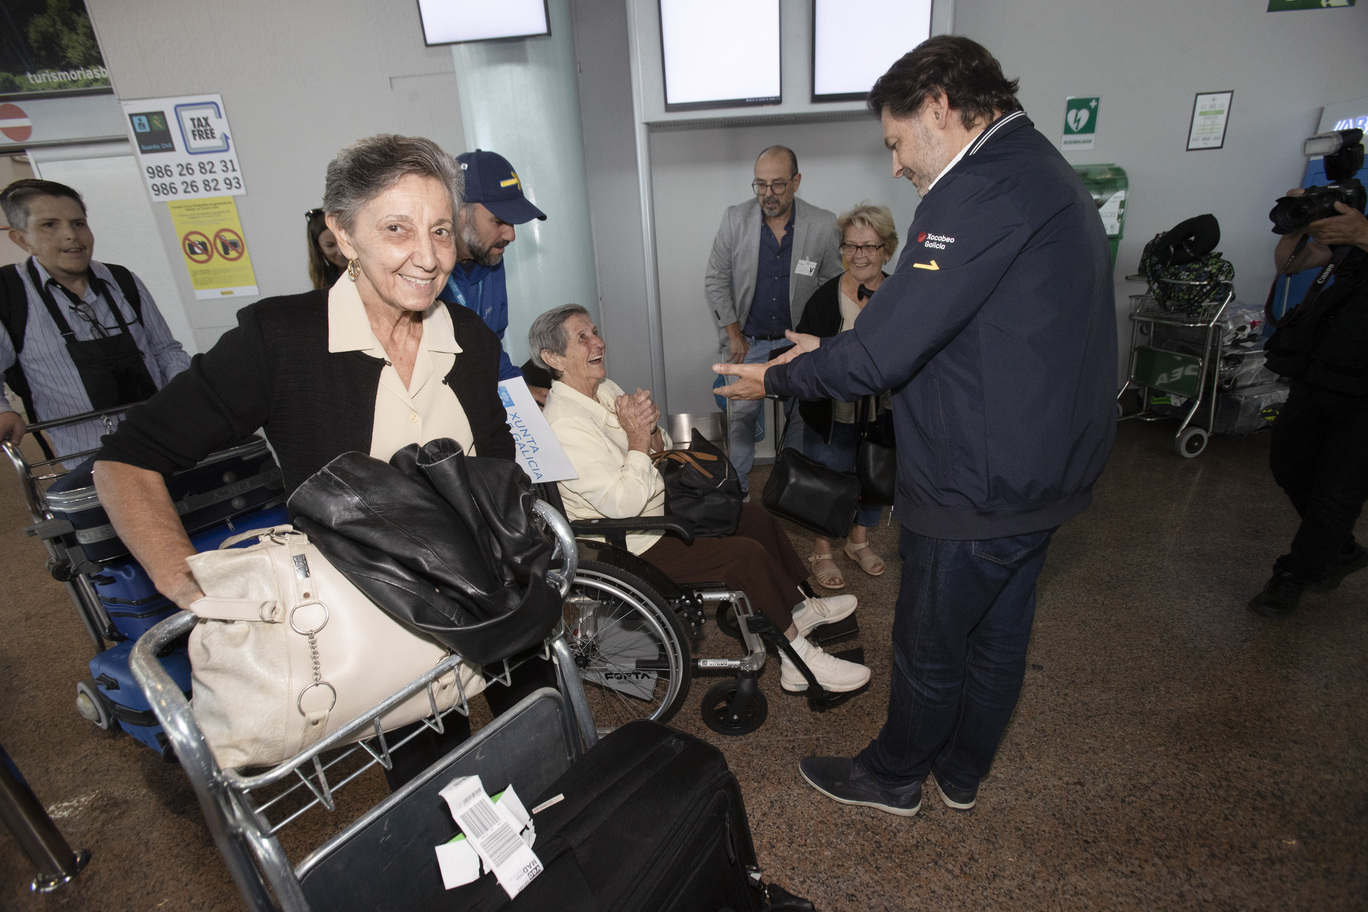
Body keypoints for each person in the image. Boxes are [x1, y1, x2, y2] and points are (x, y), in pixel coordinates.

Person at [715, 36, 1117, 816]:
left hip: (977, 478)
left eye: (897, 143)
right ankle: (961, 773)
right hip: (1039, 468)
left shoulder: (978, 190)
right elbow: (948, 326)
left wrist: (778, 376)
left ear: (938, 106)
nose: (896, 166)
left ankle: (894, 777)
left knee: (929, 644)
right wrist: (833, 348)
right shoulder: (1039, 171)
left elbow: (884, 354)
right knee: (997, 637)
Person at [90, 134, 548, 785]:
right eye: (397, 228)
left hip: (491, 598)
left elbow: (500, 466)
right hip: (377, 627)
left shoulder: (469, 338)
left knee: (542, 748)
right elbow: (126, 461)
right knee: (441, 790)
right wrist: (189, 587)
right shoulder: (283, 340)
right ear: (343, 233)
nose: (427, 256)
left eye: (441, 230)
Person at [531, 303, 870, 694]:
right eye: (582, 337)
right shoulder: (566, 423)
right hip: (628, 543)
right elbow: (622, 505)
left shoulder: (603, 389)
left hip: (655, 509)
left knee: (753, 518)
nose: (598, 342)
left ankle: (797, 607)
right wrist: (638, 436)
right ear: (553, 358)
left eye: (594, 331)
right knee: (743, 555)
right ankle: (799, 660)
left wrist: (649, 429)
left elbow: (661, 448)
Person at [1, 179, 190, 461]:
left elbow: (166, 350)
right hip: (89, 457)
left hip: (165, 437)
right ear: (22, 239)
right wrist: (3, 411)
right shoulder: (8, 293)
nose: (71, 236)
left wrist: (188, 393)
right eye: (49, 225)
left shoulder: (122, 280)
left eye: (78, 223)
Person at [1248, 197, 1368, 618]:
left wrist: (1363, 234)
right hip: (1324, 366)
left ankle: (1294, 575)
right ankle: (1339, 546)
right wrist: (1299, 225)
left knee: (1339, 490)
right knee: (1288, 463)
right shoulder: (1354, 228)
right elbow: (1291, 265)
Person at [705, 145, 842, 496]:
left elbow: (834, 283)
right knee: (741, 418)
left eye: (778, 184)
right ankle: (737, 491)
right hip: (748, 342)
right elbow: (715, 279)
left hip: (796, 343)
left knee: (798, 417)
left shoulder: (823, 224)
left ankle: (788, 486)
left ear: (796, 182)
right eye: (761, 184)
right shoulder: (735, 220)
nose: (768, 193)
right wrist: (734, 335)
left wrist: (818, 339)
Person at [793, 203, 899, 590]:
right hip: (831, 413)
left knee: (873, 477)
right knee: (827, 481)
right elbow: (804, 356)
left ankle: (858, 543)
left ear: (887, 249)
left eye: (868, 246)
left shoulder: (900, 294)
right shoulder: (824, 298)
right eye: (850, 246)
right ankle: (822, 550)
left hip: (881, 413)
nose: (858, 255)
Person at [440, 149, 550, 404]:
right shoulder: (425, 276)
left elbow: (489, 347)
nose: (511, 235)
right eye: (499, 221)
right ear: (458, 213)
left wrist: (517, 389)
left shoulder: (490, 257)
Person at [305, 206, 348, 289]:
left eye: (343, 240)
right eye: (330, 245)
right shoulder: (325, 281)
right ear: (319, 248)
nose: (340, 251)